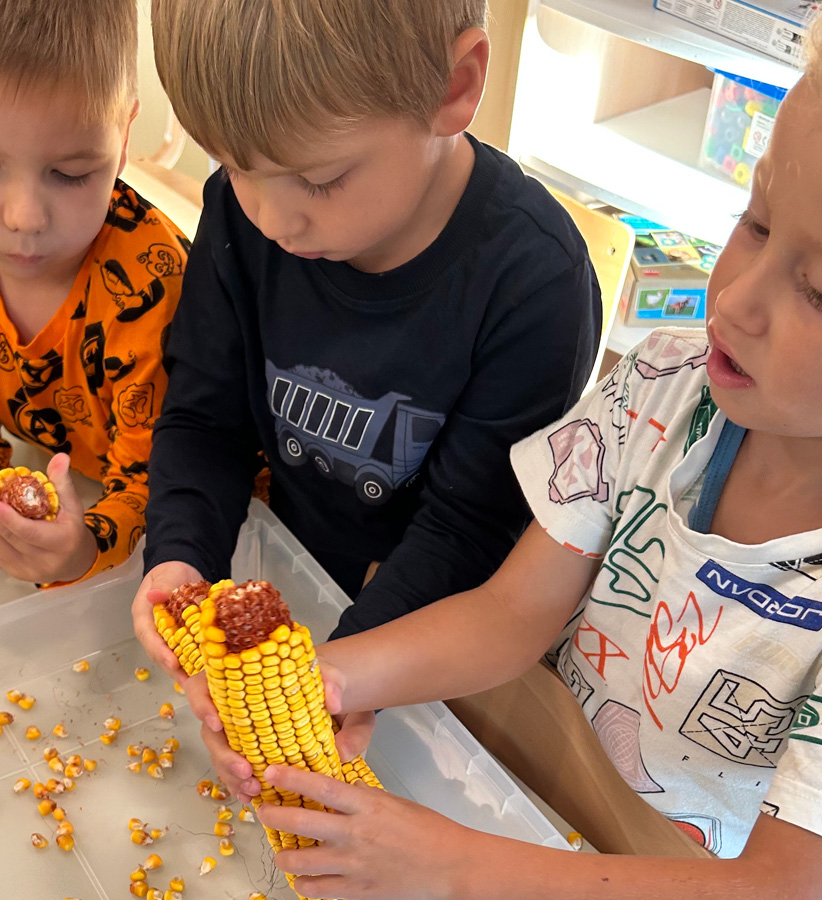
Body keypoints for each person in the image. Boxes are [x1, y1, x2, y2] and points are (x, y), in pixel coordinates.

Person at [188, 0, 822, 895]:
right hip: (534, 789)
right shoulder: (662, 386)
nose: (733, 299)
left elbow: (780, 888)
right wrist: (330, 679)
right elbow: (513, 612)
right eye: (757, 223)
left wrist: (451, 865)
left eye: (821, 293)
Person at [132, 0, 601, 723]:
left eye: (320, 180)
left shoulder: (534, 284)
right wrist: (181, 557)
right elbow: (205, 422)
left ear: (454, 87)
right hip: (294, 567)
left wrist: (341, 675)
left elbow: (468, 530)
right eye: (233, 166)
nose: (272, 220)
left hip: (437, 648)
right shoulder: (241, 213)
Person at [0, 0, 187, 586]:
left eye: (72, 173)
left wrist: (85, 547)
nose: (26, 218)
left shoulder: (150, 283)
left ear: (124, 134)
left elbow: (168, 479)